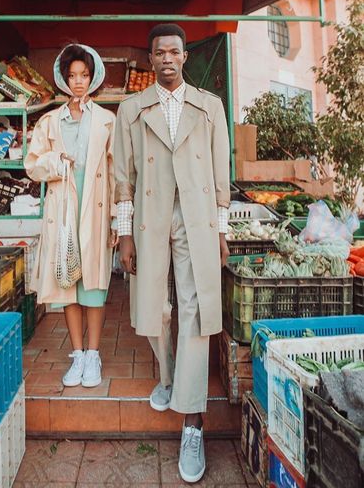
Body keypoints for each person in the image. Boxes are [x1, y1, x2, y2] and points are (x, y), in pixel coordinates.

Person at [114, 24, 230, 483]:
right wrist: (124, 235)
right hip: (150, 217)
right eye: (159, 52)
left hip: (197, 219)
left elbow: (221, 176)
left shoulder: (210, 107)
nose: (167, 58)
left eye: (174, 52)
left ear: (185, 58)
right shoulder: (131, 110)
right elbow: (123, 177)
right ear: (150, 58)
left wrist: (221, 232)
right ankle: (167, 376)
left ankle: (192, 422)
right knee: (156, 309)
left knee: (197, 309)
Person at [25, 43, 118, 389]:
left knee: (93, 286)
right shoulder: (49, 121)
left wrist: (114, 221)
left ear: (93, 79)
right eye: (73, 76)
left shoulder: (108, 121)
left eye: (84, 75)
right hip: (63, 212)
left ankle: (93, 354)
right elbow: (32, 165)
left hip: (95, 211)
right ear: (63, 80)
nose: (79, 82)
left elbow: (116, 172)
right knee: (69, 283)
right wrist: (55, 162)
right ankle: (77, 354)